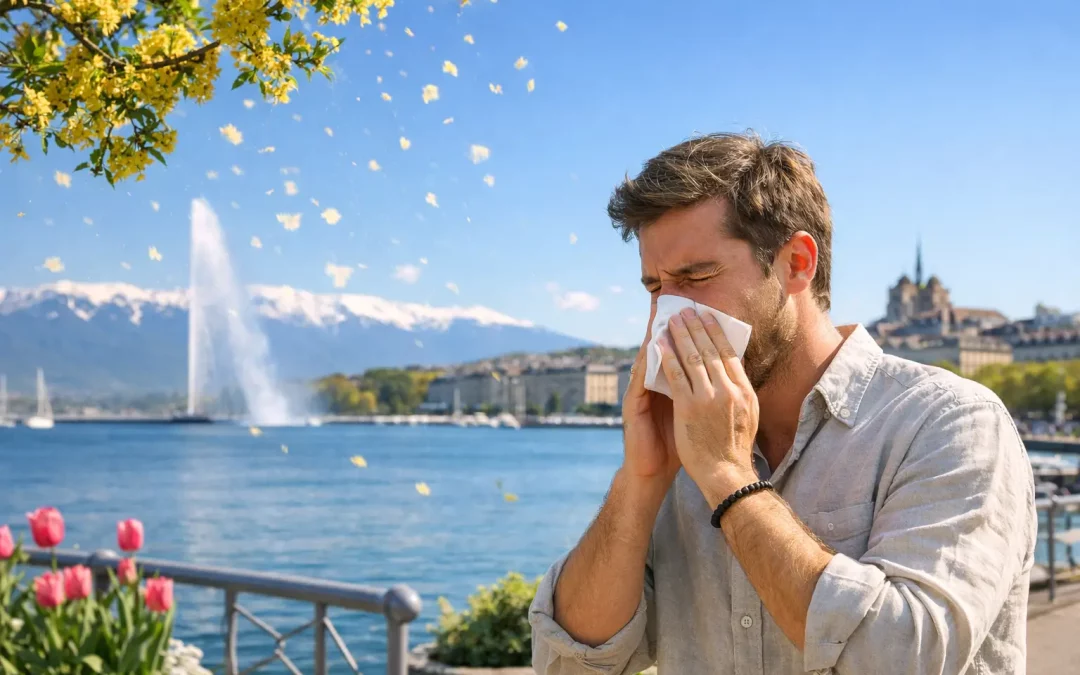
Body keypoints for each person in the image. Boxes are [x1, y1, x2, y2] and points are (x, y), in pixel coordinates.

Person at [529, 132, 1036, 675]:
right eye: (655, 287)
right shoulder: (680, 448)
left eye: (696, 277)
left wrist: (729, 477)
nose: (667, 316)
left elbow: (904, 659)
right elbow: (567, 666)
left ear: (796, 263)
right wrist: (640, 480)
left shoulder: (948, 423)